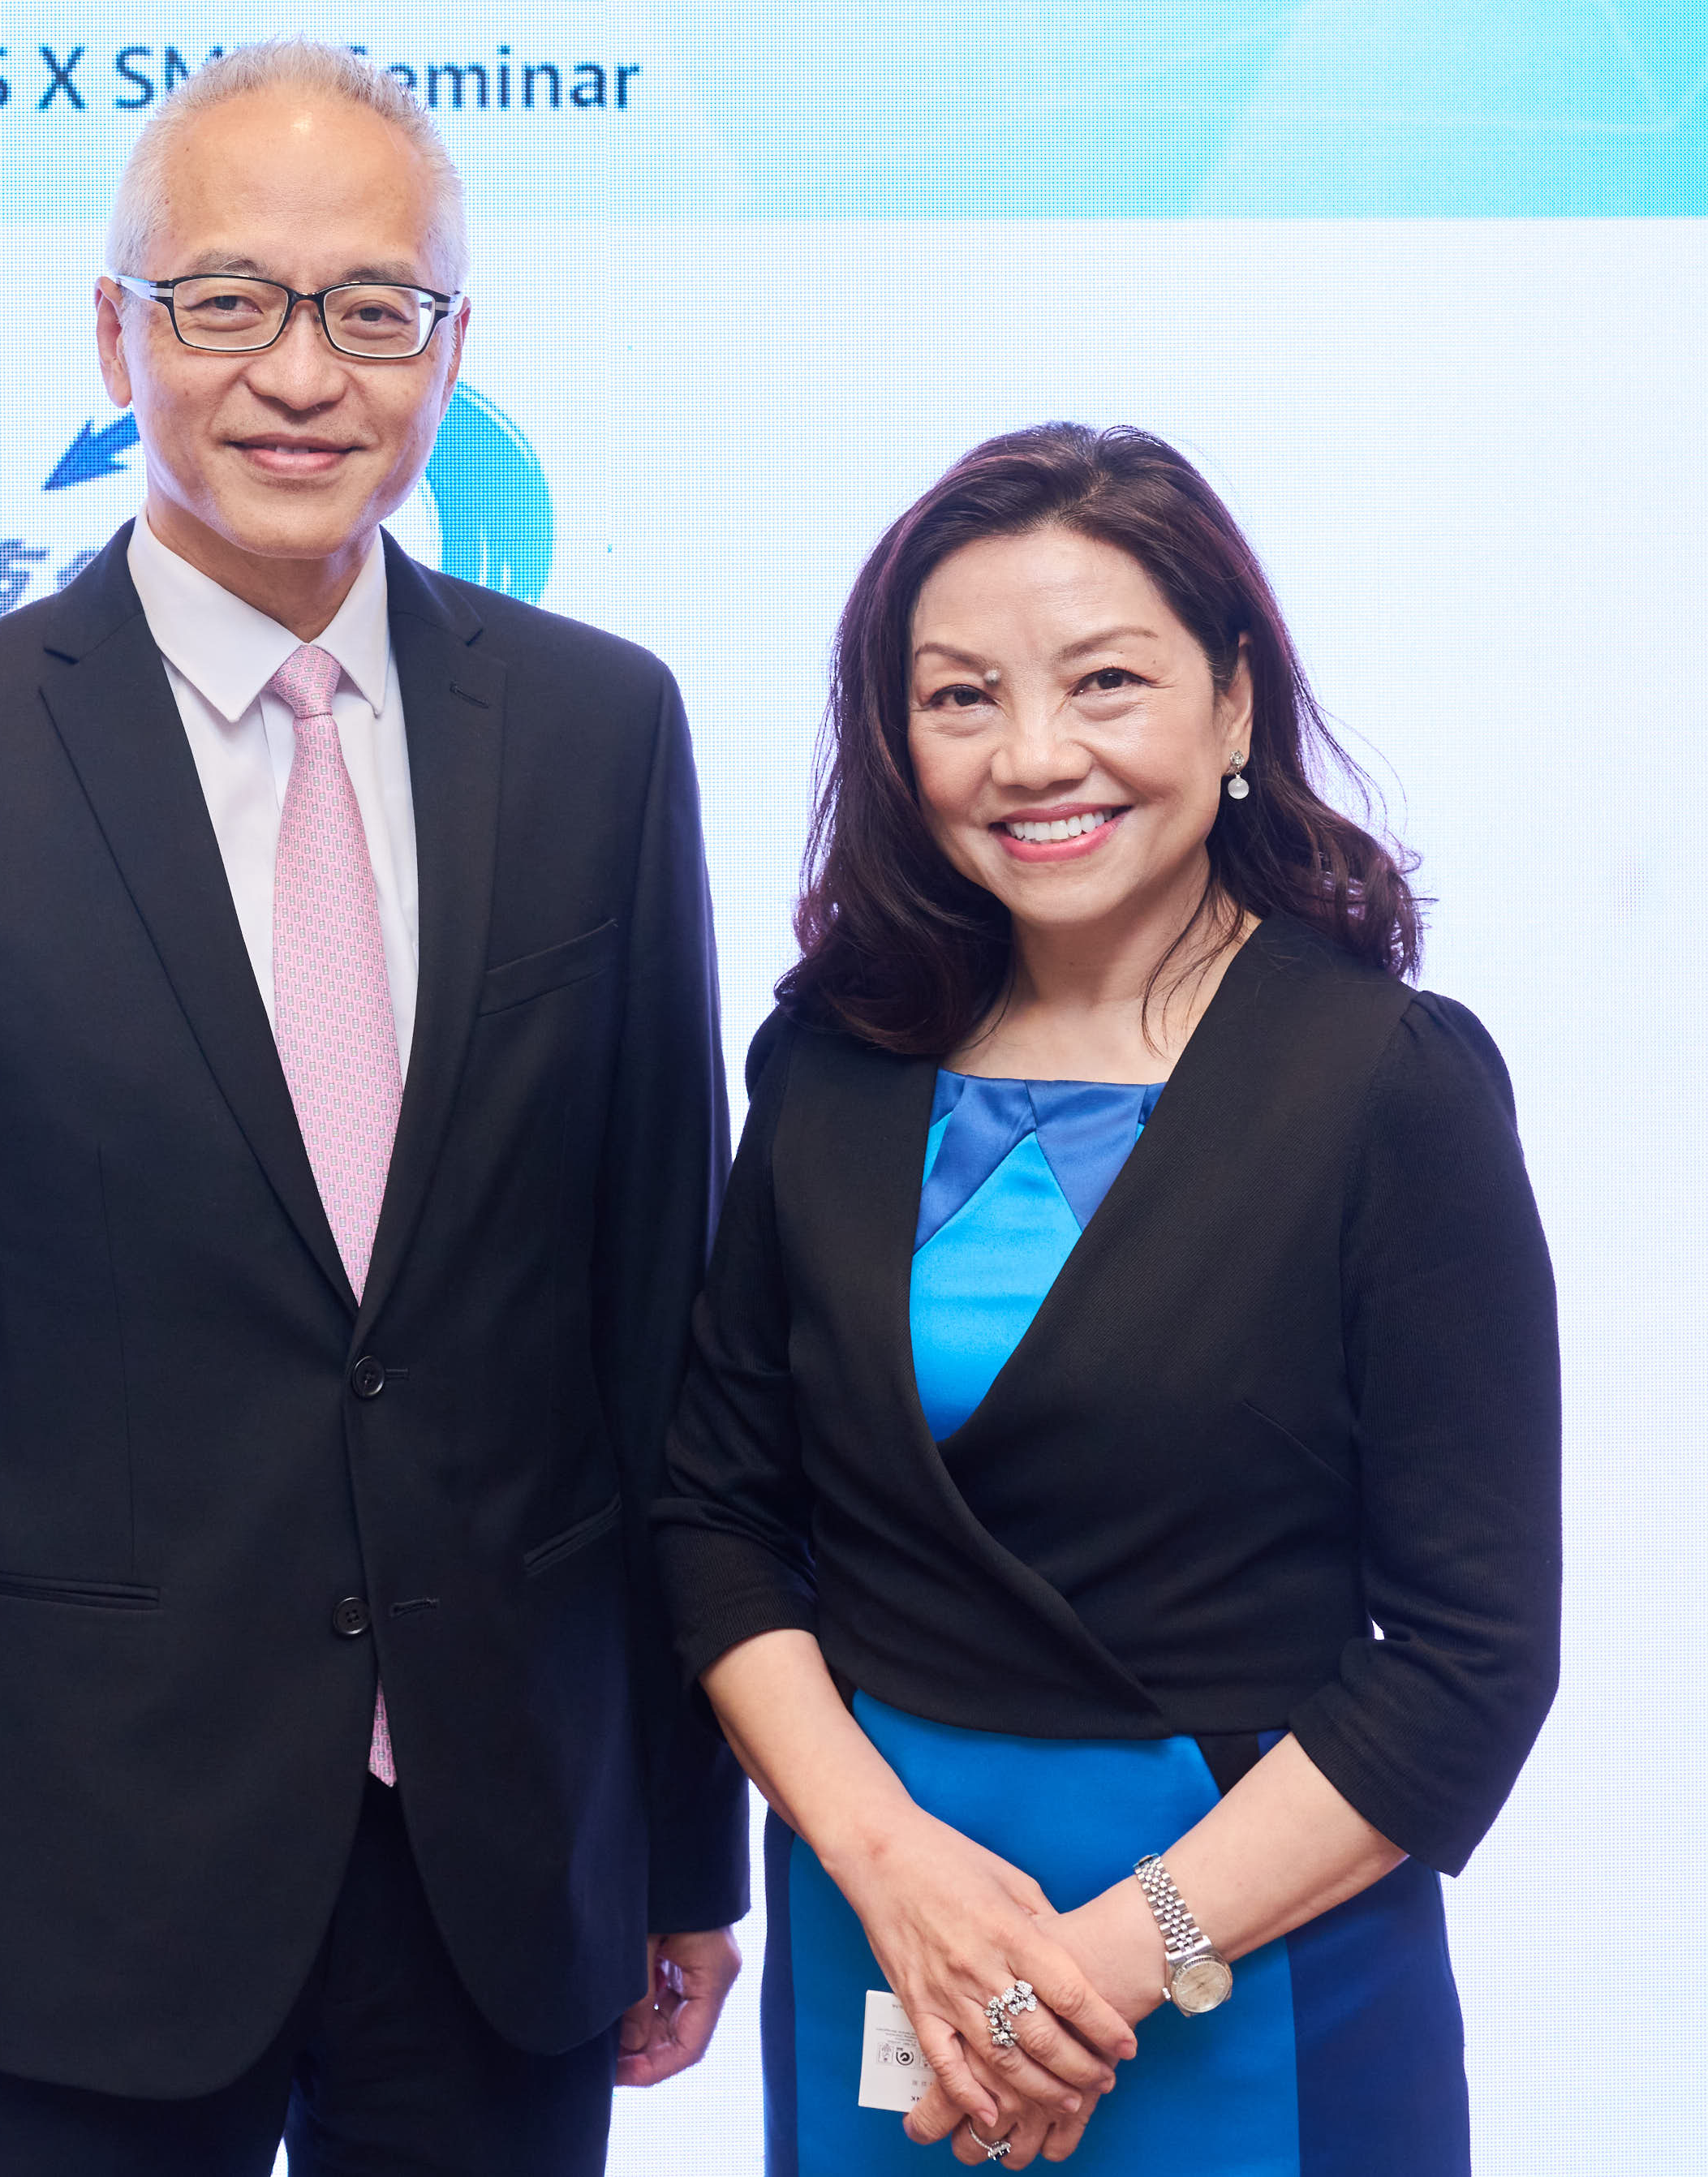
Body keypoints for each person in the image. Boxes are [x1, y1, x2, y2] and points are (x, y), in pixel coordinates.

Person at [0, 40, 750, 2177]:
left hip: (503, 1862)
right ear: (116, 334)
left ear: (453, 348)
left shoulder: (599, 738)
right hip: (81, 1894)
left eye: (372, 306)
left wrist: (688, 1836)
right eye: (228, 298)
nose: (303, 369)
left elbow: (660, 1333)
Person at [654, 424, 1560, 2173]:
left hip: (1240, 1958)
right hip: (886, 1932)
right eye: (961, 696)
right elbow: (712, 1514)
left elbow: (1465, 1659)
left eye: (1105, 680)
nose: (1034, 753)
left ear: (1233, 703)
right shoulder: (831, 1063)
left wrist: (1089, 1971)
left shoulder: (1385, 1084)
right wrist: (891, 1868)